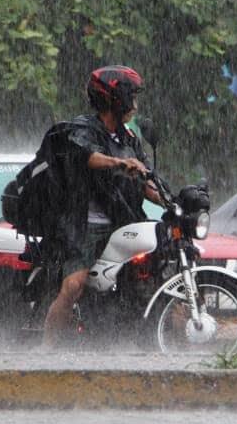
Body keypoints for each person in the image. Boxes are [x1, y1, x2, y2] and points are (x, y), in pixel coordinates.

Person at [42, 65, 162, 348]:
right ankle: (46, 349)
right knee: (73, 286)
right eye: (130, 96)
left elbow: (144, 178)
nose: (134, 103)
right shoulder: (83, 129)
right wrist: (120, 163)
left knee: (158, 271)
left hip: (124, 222)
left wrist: (168, 198)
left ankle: (164, 341)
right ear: (114, 98)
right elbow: (87, 157)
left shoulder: (130, 138)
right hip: (85, 226)